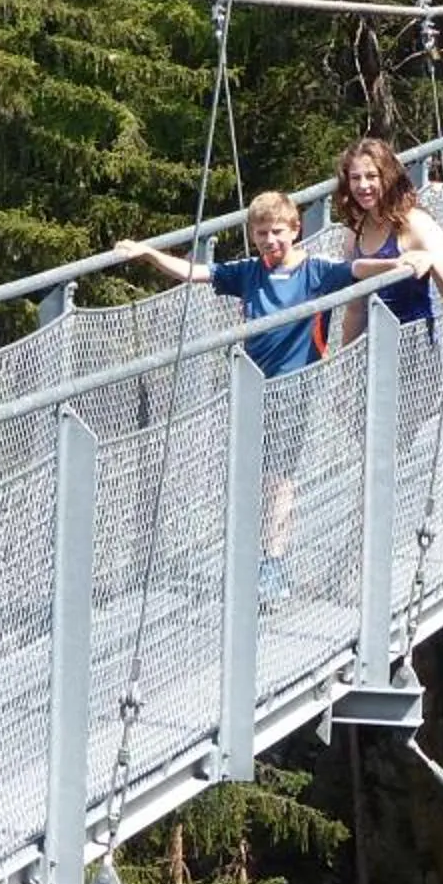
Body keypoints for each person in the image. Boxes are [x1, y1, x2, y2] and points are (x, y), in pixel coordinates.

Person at [117, 189, 355, 601]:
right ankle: (260, 559)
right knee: (254, 477)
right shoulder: (250, 271)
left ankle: (274, 565)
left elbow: (359, 269)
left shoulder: (316, 271)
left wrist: (407, 259)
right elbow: (198, 273)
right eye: (261, 232)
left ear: (296, 229)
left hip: (293, 386)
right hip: (249, 389)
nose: (269, 240)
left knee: (278, 478)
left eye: (277, 231)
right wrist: (149, 254)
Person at [328, 135, 443, 349]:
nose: (363, 186)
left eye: (371, 176)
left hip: (416, 351)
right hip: (373, 350)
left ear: (388, 177)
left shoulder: (416, 223)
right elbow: (356, 308)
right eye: (355, 178)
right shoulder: (354, 231)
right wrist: (345, 364)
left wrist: (431, 260)